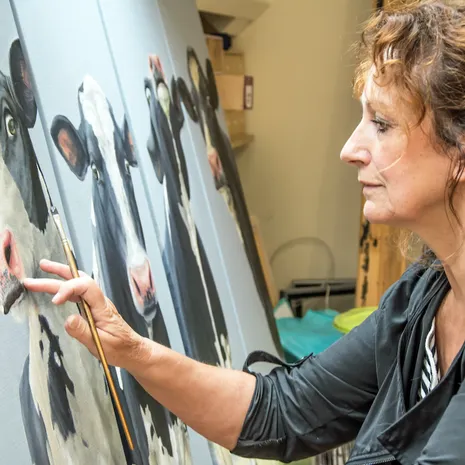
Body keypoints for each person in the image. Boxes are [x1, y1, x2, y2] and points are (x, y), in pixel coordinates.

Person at [23, 1, 465, 463]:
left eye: (382, 124)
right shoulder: (418, 303)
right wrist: (132, 350)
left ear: (459, 148)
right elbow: (282, 411)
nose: (350, 149)